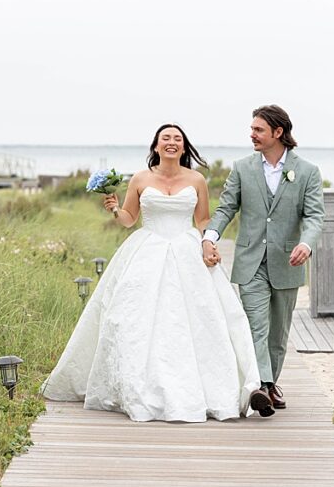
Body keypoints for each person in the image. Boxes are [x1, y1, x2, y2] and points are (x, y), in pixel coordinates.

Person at [41, 124, 265, 422]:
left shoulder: (196, 179)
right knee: (133, 318)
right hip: (147, 250)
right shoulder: (140, 178)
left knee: (200, 317)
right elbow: (129, 219)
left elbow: (203, 219)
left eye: (177, 139)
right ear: (156, 147)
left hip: (187, 251)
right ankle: (138, 385)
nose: (172, 143)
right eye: (165, 139)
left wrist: (208, 243)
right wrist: (114, 208)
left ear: (184, 148)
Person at [201, 105, 325, 416]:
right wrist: (209, 236)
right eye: (252, 129)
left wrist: (306, 244)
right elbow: (226, 208)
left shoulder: (307, 171)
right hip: (250, 260)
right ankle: (261, 385)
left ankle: (269, 386)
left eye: (258, 130)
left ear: (278, 133)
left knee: (278, 333)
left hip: (288, 261)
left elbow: (314, 216)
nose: (252, 134)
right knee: (256, 324)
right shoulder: (242, 168)